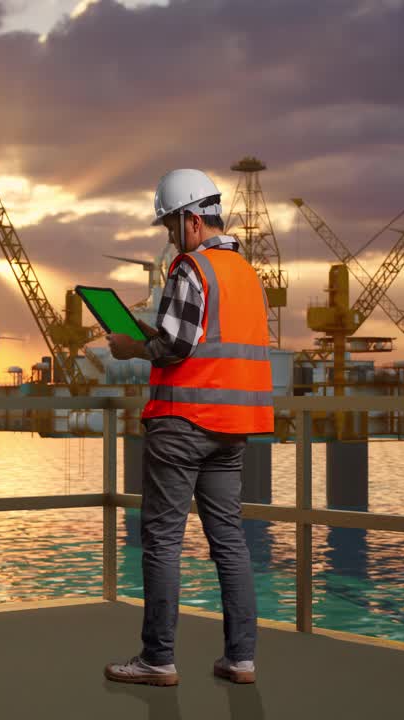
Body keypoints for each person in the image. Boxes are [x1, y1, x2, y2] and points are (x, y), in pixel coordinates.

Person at [103, 168, 273, 687]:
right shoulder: (245, 273)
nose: (169, 238)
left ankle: (158, 659)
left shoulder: (190, 268)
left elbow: (177, 347)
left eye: (171, 226)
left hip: (182, 423)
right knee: (229, 540)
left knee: (162, 540)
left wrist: (133, 346)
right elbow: (206, 337)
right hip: (233, 427)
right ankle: (240, 660)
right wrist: (159, 333)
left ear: (193, 220)